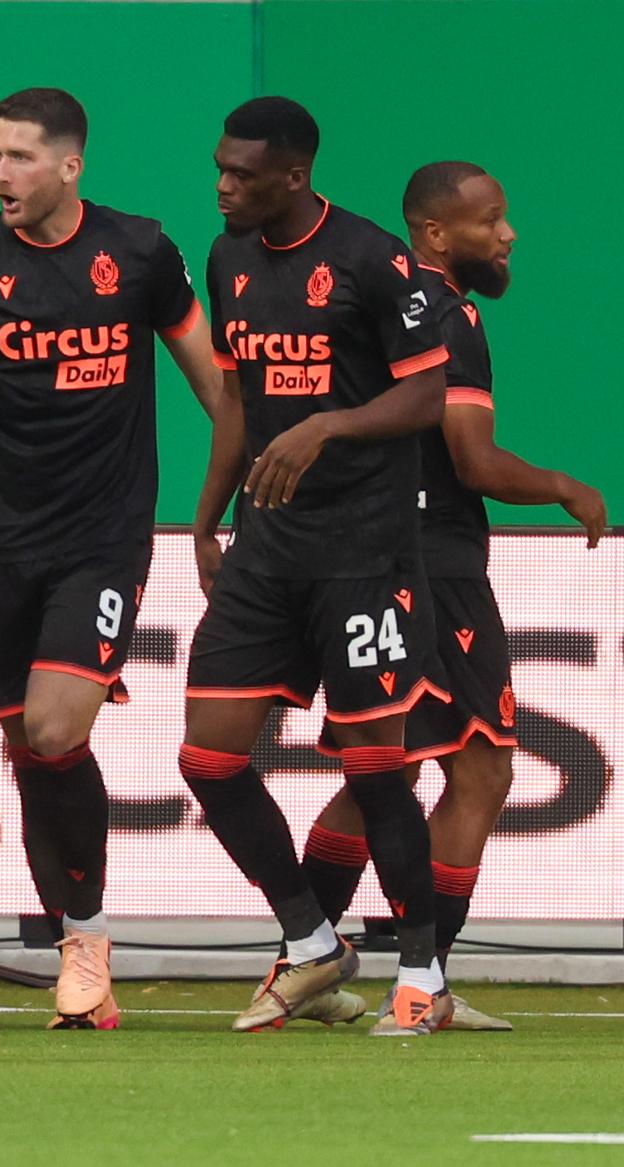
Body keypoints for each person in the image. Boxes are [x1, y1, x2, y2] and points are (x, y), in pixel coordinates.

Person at [0, 88, 228, 1030]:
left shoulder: (141, 250)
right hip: (1, 541)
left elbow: (216, 381)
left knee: (59, 730)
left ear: (70, 165)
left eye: (19, 157)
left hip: (104, 535)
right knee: (29, 750)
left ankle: (88, 943)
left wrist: (234, 499)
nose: (0, 174)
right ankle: (77, 941)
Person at [293, 162, 606, 1033]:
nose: (507, 236)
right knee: (481, 767)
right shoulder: (449, 315)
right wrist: (564, 484)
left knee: (377, 772)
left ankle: (301, 958)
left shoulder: (381, 302)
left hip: (375, 554)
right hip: (439, 567)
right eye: (492, 221)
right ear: (436, 234)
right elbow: (473, 460)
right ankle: (419, 983)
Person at [181, 96, 453, 1035]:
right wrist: (206, 519)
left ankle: (423, 974)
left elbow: (428, 397)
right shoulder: (228, 258)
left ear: (293, 175)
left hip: (363, 554)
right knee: (208, 754)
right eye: (219, 167)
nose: (222, 185)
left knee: (380, 767)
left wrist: (331, 421)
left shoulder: (375, 261)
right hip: (265, 550)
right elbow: (233, 396)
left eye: (241, 173)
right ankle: (310, 944)